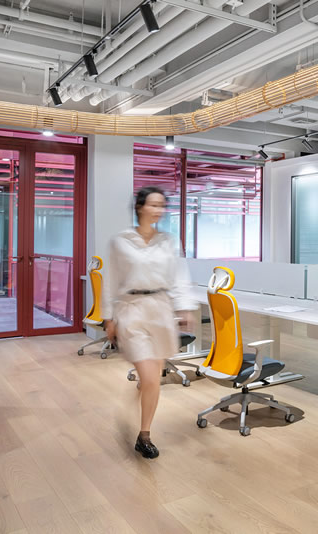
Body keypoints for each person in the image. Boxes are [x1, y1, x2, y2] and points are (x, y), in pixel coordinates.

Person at [102, 186, 197, 459]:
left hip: (161, 310)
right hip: (131, 310)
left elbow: (180, 277)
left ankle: (143, 433)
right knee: (149, 377)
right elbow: (111, 280)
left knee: (152, 380)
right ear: (140, 207)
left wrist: (185, 308)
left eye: (162, 205)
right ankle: (145, 434)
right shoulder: (120, 241)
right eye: (153, 204)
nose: (158, 210)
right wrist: (108, 317)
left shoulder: (168, 241)